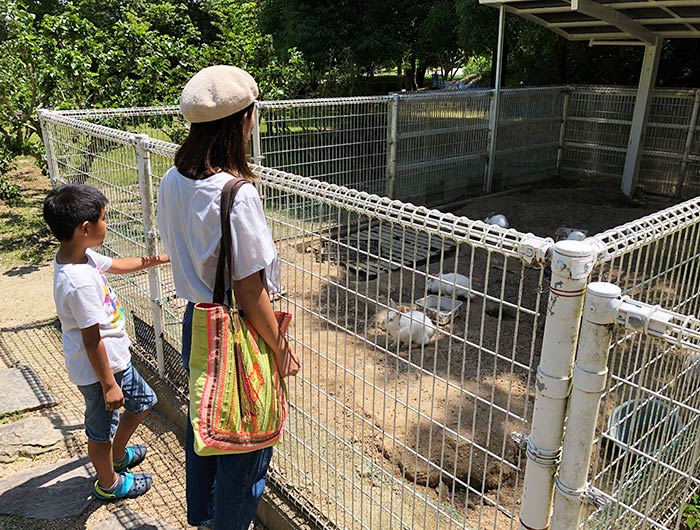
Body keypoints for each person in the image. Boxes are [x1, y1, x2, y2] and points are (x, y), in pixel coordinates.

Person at [157, 65, 299, 530]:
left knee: (207, 427)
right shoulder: (236, 193)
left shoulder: (172, 180)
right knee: (247, 447)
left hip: (196, 322)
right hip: (236, 330)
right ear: (243, 120)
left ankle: (204, 517)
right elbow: (249, 288)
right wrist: (279, 349)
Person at [43, 183, 169, 501]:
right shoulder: (78, 282)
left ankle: (117, 455)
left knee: (143, 402)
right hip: (100, 372)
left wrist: (160, 259)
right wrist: (109, 384)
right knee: (100, 431)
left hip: (115, 361)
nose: (107, 223)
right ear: (86, 228)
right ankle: (109, 483)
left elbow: (118, 265)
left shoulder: (79, 256)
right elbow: (91, 339)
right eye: (103, 218)